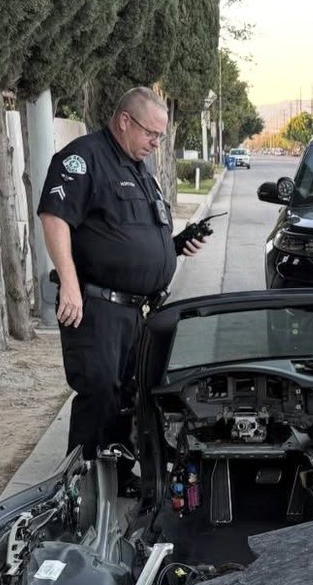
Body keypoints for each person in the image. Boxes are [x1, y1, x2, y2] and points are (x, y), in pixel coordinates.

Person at [38, 86, 205, 464]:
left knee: (129, 397)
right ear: (125, 121)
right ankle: (78, 487)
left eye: (160, 136)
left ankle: (115, 478)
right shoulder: (84, 158)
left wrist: (175, 246)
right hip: (97, 306)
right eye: (151, 133)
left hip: (136, 311)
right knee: (99, 394)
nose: (155, 143)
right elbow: (54, 217)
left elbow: (128, 235)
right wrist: (68, 283)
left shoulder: (138, 169)